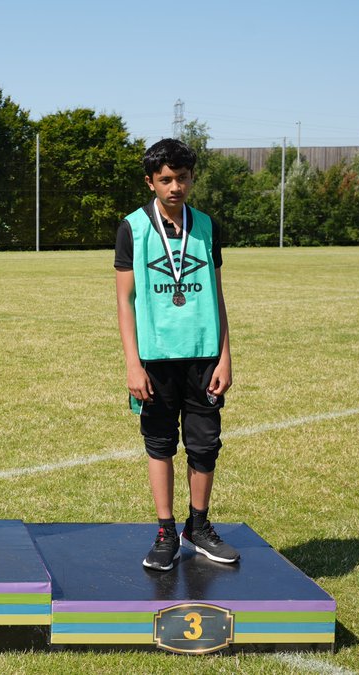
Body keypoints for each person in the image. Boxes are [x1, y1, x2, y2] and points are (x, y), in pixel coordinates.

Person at [115, 138, 239, 572]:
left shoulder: (206, 225)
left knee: (205, 446)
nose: (175, 187)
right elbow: (125, 301)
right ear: (150, 181)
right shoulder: (133, 227)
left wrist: (225, 354)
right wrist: (133, 363)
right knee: (161, 443)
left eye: (182, 178)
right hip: (155, 358)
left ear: (191, 179)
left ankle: (199, 526)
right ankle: (166, 529)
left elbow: (219, 296)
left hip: (203, 355)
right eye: (165, 179)